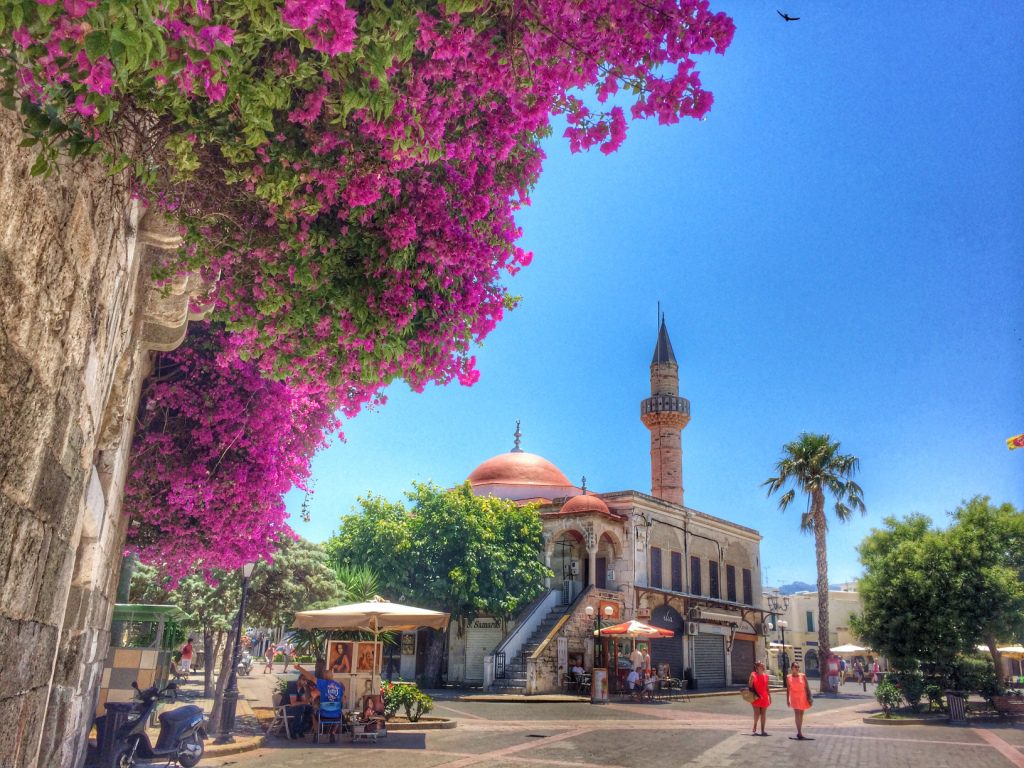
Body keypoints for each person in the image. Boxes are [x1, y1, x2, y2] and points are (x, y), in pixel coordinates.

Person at [295, 664, 345, 743]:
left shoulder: (323, 683)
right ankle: (333, 732)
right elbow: (343, 700)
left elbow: (311, 677)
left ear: (324, 677)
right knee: (340, 711)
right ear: (332, 676)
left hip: (323, 715)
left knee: (313, 713)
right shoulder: (339, 685)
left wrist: (299, 668)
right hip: (336, 716)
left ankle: (316, 732)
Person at [785, 662, 814, 740]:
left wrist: (810, 697)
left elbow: (807, 687)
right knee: (797, 713)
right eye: (795, 667)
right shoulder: (788, 677)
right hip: (794, 697)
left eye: (798, 667)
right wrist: (787, 699)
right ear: (792, 668)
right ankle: (799, 732)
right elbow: (788, 689)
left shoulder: (803, 676)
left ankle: (799, 730)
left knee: (801, 714)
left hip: (802, 696)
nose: (797, 668)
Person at [747, 660, 772, 736]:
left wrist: (769, 696)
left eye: (763, 665)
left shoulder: (766, 676)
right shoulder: (753, 674)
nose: (763, 667)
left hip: (764, 697)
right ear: (757, 667)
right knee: (757, 713)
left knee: (763, 714)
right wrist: (750, 680)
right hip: (756, 697)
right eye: (761, 666)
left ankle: (763, 730)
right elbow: (750, 686)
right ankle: (755, 724)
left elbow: (767, 687)